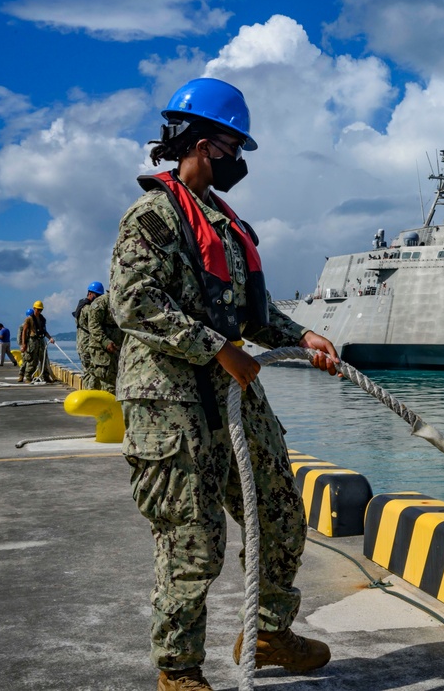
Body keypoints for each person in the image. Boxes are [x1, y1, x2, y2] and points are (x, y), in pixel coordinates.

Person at [109, 77, 340, 691]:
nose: (240, 162)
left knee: (280, 514)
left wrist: (303, 335)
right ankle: (179, 669)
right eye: (235, 149)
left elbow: (251, 314)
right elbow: (132, 302)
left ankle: (266, 632)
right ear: (207, 145)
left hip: (230, 388)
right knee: (194, 539)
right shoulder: (153, 217)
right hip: (169, 397)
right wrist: (216, 350)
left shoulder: (226, 223)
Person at [83, 290, 123, 393]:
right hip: (102, 350)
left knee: (104, 381)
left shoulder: (123, 301)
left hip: (115, 349)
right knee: (106, 383)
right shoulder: (102, 302)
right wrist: (105, 342)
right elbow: (93, 326)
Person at [74, 282, 104, 389]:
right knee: (92, 372)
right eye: (98, 296)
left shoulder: (81, 305)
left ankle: (87, 393)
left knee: (87, 371)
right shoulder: (88, 309)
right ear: (91, 294)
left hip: (82, 344)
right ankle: (90, 394)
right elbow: (95, 325)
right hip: (87, 344)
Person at [20, 301, 55, 383]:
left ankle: (46, 376)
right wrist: (24, 344)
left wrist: (50, 338)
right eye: (38, 309)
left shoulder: (43, 319)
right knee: (32, 360)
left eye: (40, 310)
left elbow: (44, 331)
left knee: (44, 359)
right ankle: (28, 377)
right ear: (34, 309)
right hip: (32, 341)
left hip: (41, 341)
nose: (39, 311)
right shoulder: (29, 319)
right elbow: (24, 331)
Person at [17, 308, 32, 382]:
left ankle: (26, 376)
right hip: (25, 345)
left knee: (29, 362)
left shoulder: (32, 326)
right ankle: (21, 375)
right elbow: (20, 336)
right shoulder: (23, 326)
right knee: (25, 361)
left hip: (31, 346)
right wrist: (22, 345)